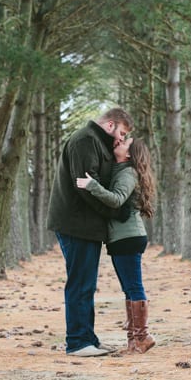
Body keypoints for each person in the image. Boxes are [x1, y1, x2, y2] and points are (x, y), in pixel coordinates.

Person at [47, 107, 134, 357]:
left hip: (87, 226)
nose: (121, 139)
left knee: (87, 284)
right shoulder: (86, 140)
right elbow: (85, 186)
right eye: (122, 132)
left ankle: (89, 339)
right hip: (76, 225)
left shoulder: (96, 142)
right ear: (110, 125)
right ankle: (77, 342)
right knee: (80, 283)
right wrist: (115, 212)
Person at [76, 137, 156, 354]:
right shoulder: (121, 170)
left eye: (122, 143)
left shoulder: (128, 173)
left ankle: (142, 337)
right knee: (129, 289)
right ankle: (134, 341)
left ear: (129, 154)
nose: (117, 144)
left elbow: (117, 199)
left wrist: (92, 185)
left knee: (133, 287)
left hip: (128, 237)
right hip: (123, 238)